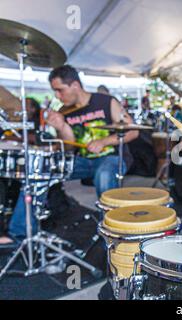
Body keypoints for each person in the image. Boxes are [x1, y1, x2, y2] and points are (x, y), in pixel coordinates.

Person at [0, 65, 138, 245]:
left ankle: (113, 234)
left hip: (111, 157)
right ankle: (21, 232)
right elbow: (68, 149)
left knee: (104, 174)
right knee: (38, 169)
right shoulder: (64, 111)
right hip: (82, 161)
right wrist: (62, 127)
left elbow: (133, 131)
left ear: (75, 85)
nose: (57, 95)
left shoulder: (105, 101)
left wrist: (103, 142)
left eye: (60, 90)